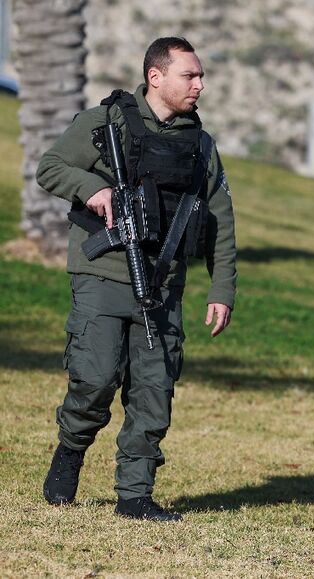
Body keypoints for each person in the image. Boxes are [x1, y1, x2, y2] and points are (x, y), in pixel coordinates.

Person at [37, 37, 236, 522]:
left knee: (154, 390)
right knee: (96, 378)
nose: (200, 85)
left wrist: (222, 287)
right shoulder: (104, 122)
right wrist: (93, 189)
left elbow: (221, 218)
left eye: (200, 75)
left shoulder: (200, 145)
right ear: (155, 76)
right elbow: (50, 167)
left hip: (164, 281)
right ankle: (71, 447)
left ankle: (135, 496)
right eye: (190, 75)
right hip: (102, 274)